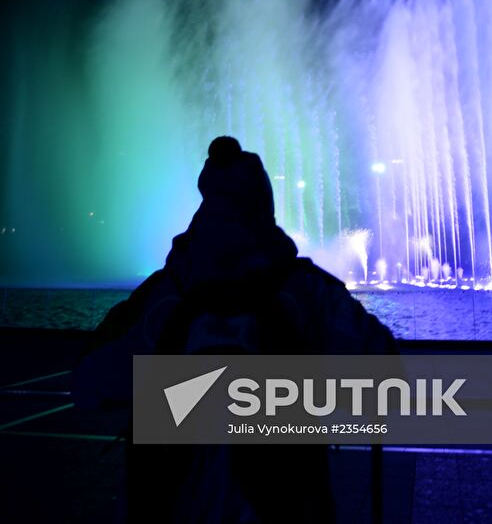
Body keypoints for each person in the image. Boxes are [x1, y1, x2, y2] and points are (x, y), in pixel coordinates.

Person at [73, 137, 397, 522]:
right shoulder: (305, 292)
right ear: (265, 205)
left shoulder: (163, 298)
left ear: (205, 205)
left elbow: (87, 385)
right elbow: (386, 375)